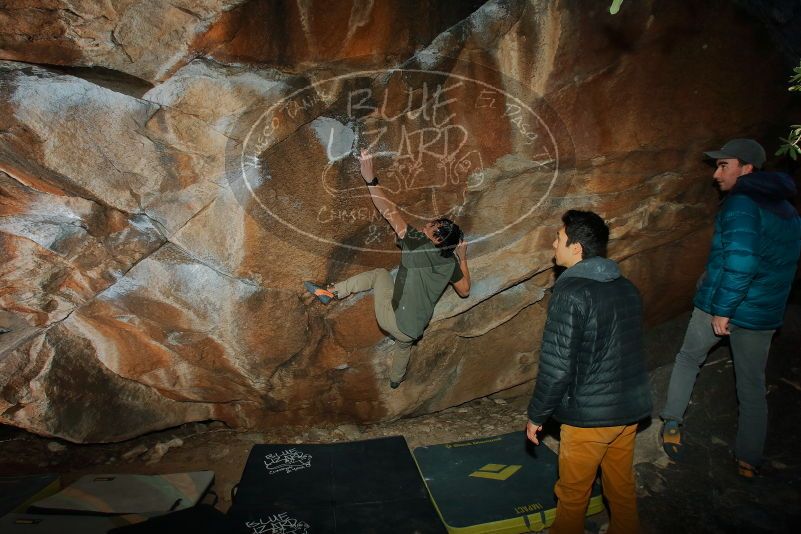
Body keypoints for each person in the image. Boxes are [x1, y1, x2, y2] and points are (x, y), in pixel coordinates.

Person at [660, 139, 801, 477]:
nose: (716, 174)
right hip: (763, 314)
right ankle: (748, 458)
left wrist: (724, 308)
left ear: (747, 168)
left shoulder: (741, 202)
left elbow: (742, 261)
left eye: (724, 165)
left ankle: (671, 425)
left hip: (724, 305)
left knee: (688, 358)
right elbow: (782, 265)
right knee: (752, 384)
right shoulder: (789, 211)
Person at [525, 210, 651, 534]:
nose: (554, 244)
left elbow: (557, 366)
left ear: (577, 248)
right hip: (628, 413)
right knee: (620, 490)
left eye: (559, 238)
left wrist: (537, 414)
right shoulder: (627, 287)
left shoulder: (570, 292)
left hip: (589, 420)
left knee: (571, 496)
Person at [304, 149, 471, 388]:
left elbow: (388, 211)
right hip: (415, 328)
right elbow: (465, 290)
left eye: (431, 226)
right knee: (404, 344)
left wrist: (370, 178)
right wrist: (463, 258)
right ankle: (395, 380)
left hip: (393, 321)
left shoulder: (417, 243)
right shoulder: (450, 262)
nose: (426, 224)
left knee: (380, 275)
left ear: (436, 239)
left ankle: (331, 293)